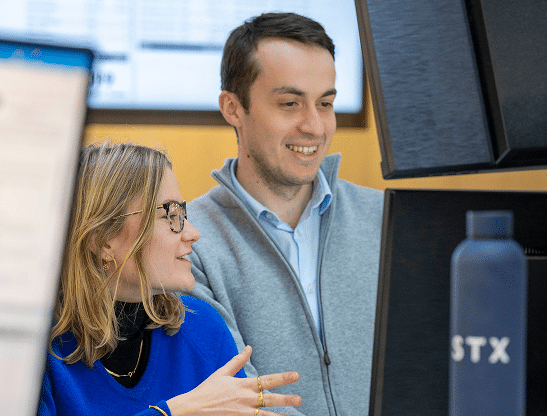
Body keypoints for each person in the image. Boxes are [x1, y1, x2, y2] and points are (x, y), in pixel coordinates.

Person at [186, 12, 384, 416]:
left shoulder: (384, 218)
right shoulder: (189, 242)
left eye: (325, 103)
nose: (315, 126)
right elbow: (238, 398)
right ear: (233, 108)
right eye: (290, 104)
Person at [38, 142, 303, 416]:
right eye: (170, 215)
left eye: (183, 214)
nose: (193, 233)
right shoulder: (34, 354)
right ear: (103, 238)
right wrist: (173, 412)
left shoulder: (203, 327)